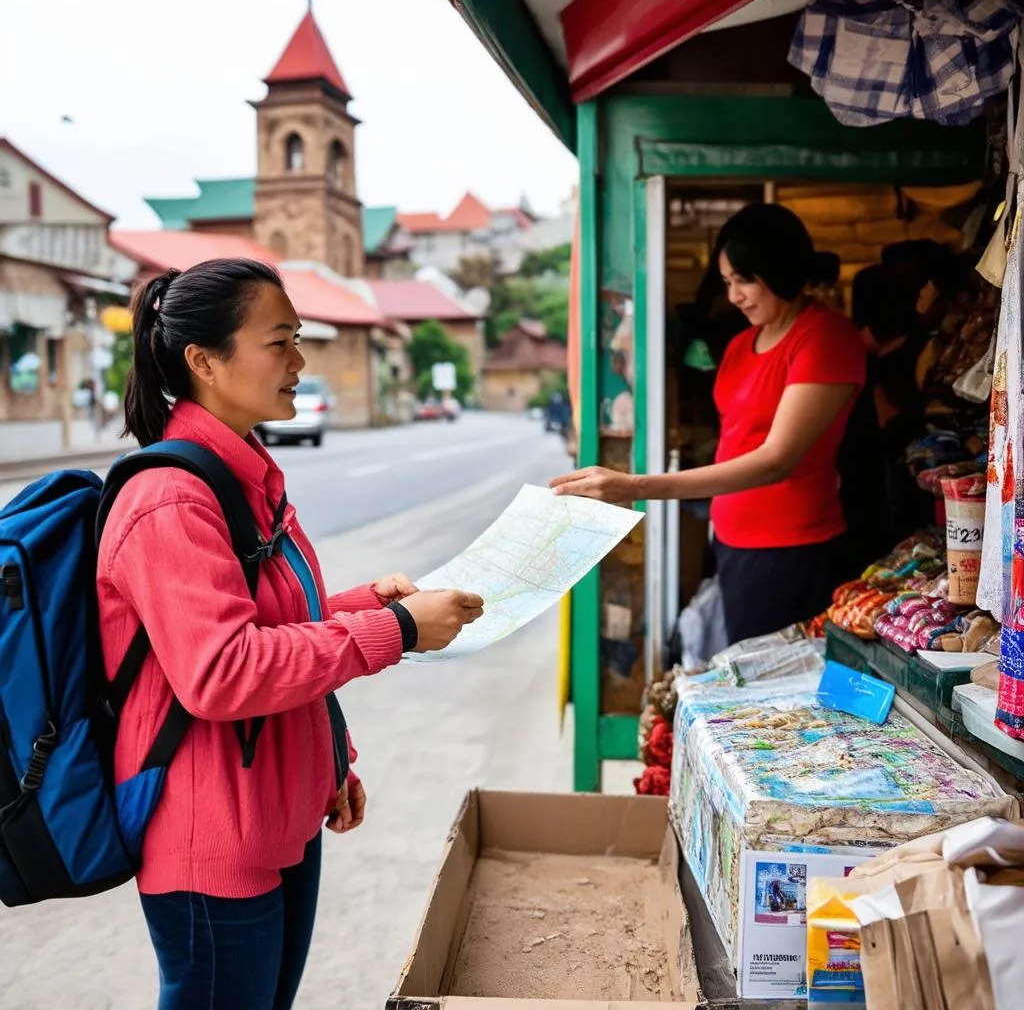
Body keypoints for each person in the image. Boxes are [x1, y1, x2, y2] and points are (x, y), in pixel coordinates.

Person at [99, 258, 484, 1009]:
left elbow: (279, 627)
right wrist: (396, 630)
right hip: (211, 839)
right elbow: (223, 672)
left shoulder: (248, 475)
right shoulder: (169, 501)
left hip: (280, 814)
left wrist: (328, 753)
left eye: (298, 339)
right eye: (279, 343)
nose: (300, 362)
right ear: (204, 361)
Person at [551, 204, 866, 644]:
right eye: (727, 283)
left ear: (780, 269)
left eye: (744, 280)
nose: (734, 296)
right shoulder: (740, 344)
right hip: (733, 541)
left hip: (791, 548)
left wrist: (637, 487)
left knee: (778, 694)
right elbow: (737, 439)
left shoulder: (825, 337)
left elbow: (777, 460)